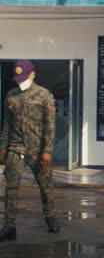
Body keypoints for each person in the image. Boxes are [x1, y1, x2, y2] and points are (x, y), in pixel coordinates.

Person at [0, 60, 59, 241]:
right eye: (18, 79)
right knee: (11, 188)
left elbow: (50, 126)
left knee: (45, 186)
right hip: (16, 147)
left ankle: (50, 217)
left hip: (38, 149)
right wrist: (3, 147)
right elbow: (7, 125)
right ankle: (9, 226)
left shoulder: (44, 95)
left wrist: (47, 150)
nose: (21, 82)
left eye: (24, 77)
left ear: (33, 74)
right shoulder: (11, 96)